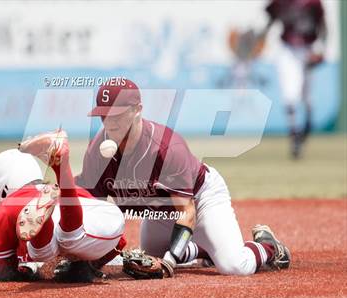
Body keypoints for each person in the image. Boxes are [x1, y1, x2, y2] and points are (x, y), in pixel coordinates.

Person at [75, 78, 291, 277]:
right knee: (150, 256)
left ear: (137, 110)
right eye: (104, 115)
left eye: (118, 114)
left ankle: (268, 246)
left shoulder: (166, 148)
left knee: (234, 266)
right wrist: (87, 259)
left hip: (200, 198)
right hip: (159, 210)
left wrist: (169, 263)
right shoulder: (97, 152)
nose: (110, 122)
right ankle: (205, 250)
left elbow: (187, 213)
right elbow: (94, 210)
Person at [0, 130, 125, 282]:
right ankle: (58, 170)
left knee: (47, 249)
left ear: (3, 187)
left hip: (73, 227)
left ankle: (47, 215)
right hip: (103, 217)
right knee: (61, 242)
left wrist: (21, 271)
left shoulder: (10, 204)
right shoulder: (68, 190)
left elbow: (4, 268)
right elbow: (121, 242)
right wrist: (84, 268)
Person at [262, 0, 326, 158]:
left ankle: (306, 128)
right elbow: (272, 16)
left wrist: (321, 47)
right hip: (288, 49)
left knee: (307, 98)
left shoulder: (314, 2)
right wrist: (261, 36)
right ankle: (294, 136)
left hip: (308, 47)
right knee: (290, 95)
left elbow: (323, 24)